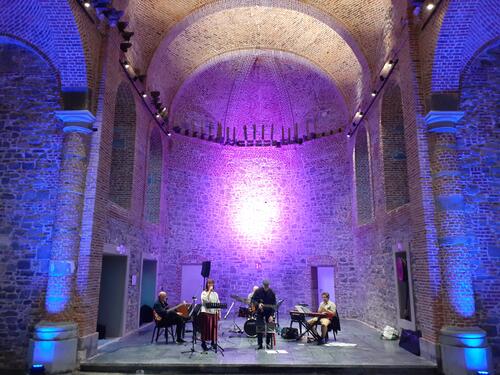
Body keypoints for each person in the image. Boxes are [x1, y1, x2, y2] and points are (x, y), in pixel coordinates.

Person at [251, 279, 276, 350]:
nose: (266, 288)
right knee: (259, 328)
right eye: (265, 287)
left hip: (269, 312)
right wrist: (258, 304)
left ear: (269, 286)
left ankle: (268, 343)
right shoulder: (258, 291)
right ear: (262, 285)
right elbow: (253, 300)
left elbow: (274, 305)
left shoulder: (272, 293)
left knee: (270, 327)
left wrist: (271, 315)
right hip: (260, 312)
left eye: (267, 287)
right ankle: (260, 344)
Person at [200, 278, 220, 351]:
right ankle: (203, 343)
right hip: (206, 313)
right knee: (206, 329)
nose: (210, 285)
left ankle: (213, 342)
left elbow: (218, 303)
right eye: (209, 283)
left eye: (211, 283)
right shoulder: (204, 292)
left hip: (214, 313)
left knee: (213, 328)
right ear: (207, 284)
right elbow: (205, 300)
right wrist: (209, 291)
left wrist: (218, 313)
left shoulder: (215, 293)